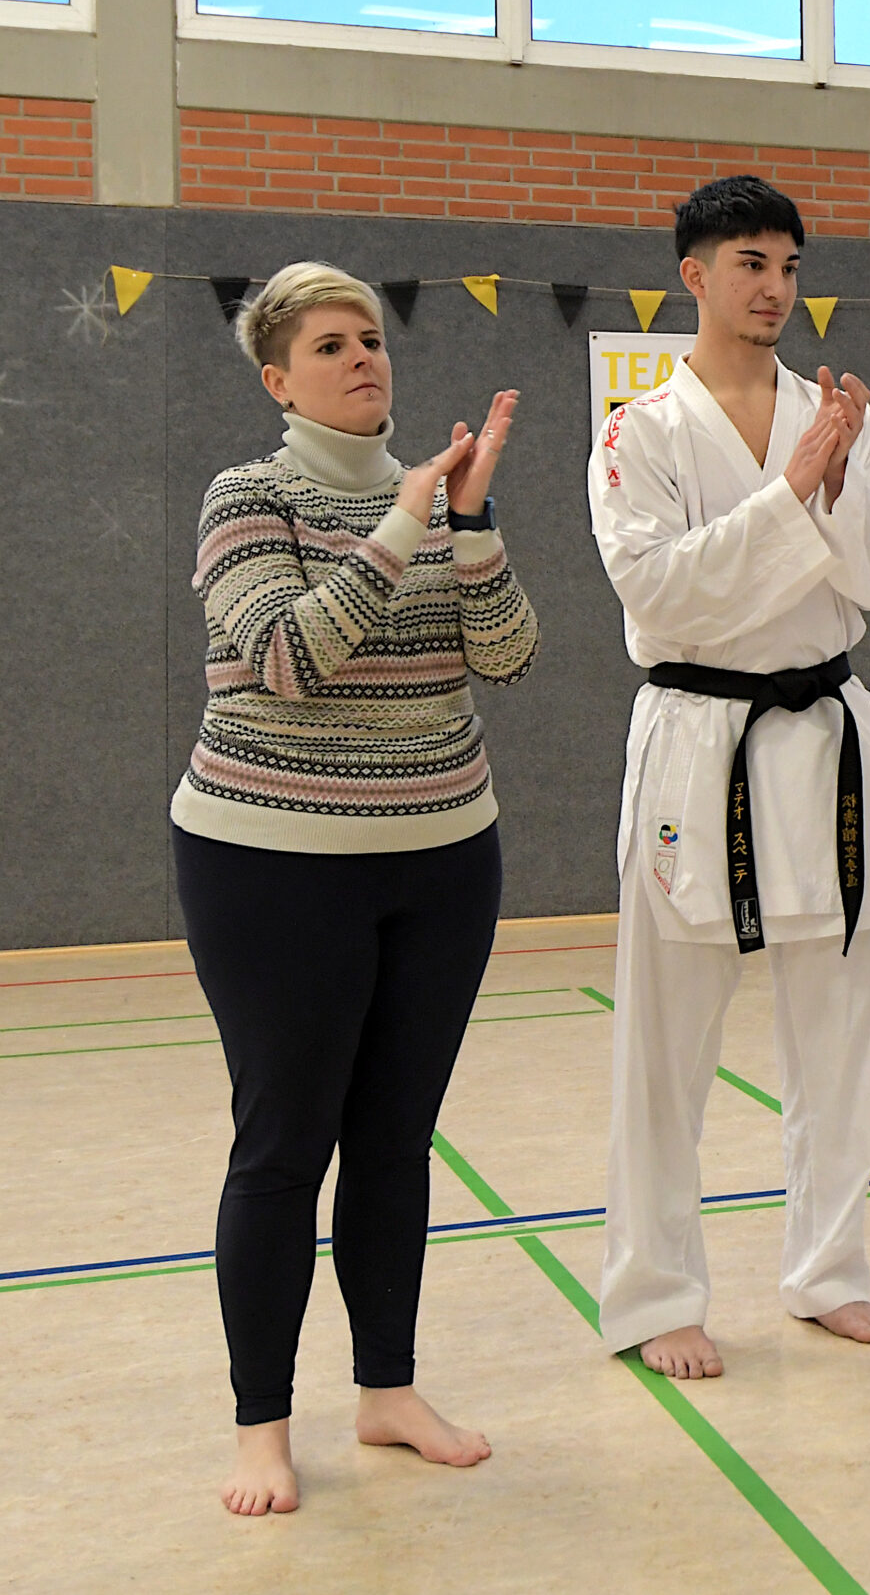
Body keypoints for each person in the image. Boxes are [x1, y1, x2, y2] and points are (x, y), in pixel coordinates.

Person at [174, 261, 537, 1516]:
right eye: (330, 345)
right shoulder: (246, 496)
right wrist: (404, 520)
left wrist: (470, 522)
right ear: (278, 380)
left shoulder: (437, 499)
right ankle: (263, 1426)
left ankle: (388, 1389)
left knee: (394, 1138)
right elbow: (287, 656)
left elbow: (509, 653)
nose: (362, 358)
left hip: (444, 855)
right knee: (285, 1146)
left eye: (370, 338)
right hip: (271, 863)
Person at [590, 175, 870, 1380]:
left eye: (788, 266)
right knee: (667, 1040)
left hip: (821, 732)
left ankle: (830, 1269)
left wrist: (832, 481)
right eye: (750, 264)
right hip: (699, 739)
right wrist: (790, 497)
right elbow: (661, 592)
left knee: (837, 1028)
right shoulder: (640, 430)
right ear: (695, 274)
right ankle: (653, 1291)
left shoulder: (836, 413)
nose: (775, 288)